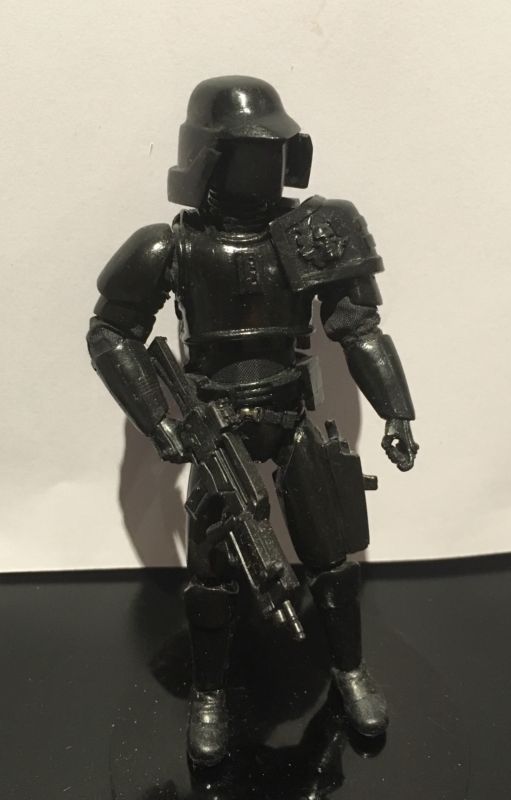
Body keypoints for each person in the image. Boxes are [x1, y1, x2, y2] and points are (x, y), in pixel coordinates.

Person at [87, 76, 418, 767]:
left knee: (331, 560)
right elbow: (111, 332)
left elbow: (358, 328)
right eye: (249, 153)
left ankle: (349, 670)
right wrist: (158, 420)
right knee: (212, 574)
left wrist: (395, 410)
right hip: (215, 426)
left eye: (274, 152)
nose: (266, 167)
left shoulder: (316, 233)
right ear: (209, 158)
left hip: (293, 417)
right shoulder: (170, 246)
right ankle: (210, 692)